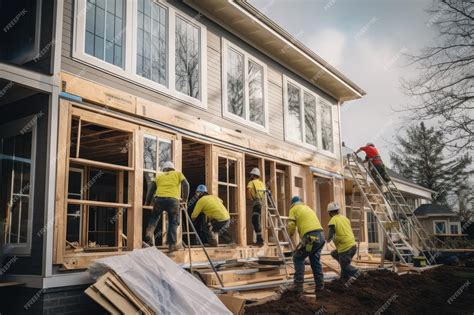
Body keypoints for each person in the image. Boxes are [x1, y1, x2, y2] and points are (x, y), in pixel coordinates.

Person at [145, 161, 189, 252]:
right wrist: (184, 200)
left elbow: (151, 190)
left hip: (159, 200)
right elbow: (186, 185)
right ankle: (172, 245)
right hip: (173, 201)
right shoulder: (178, 174)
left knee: (154, 218)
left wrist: (147, 202)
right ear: (173, 168)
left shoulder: (159, 176)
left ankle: (149, 233)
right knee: (173, 222)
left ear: (164, 169)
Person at [286, 196, 325, 294]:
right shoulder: (308, 208)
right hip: (320, 237)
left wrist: (289, 234)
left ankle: (298, 285)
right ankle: (320, 287)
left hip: (311, 237)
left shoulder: (294, 209)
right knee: (314, 260)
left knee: (297, 258)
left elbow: (291, 225)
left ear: (292, 204)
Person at [326, 202, 359, 280]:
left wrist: (327, 241)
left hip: (345, 248)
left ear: (330, 212)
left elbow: (330, 236)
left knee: (345, 266)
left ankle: (358, 273)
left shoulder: (333, 220)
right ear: (338, 211)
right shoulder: (345, 218)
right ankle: (344, 279)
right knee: (334, 254)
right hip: (353, 246)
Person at [247, 168, 265, 246]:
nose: (250, 176)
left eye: (251, 175)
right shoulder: (262, 183)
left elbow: (248, 191)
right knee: (258, 221)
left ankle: (260, 240)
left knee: (255, 221)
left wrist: (251, 199)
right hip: (263, 204)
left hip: (257, 203)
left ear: (254, 175)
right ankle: (259, 240)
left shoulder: (251, 182)